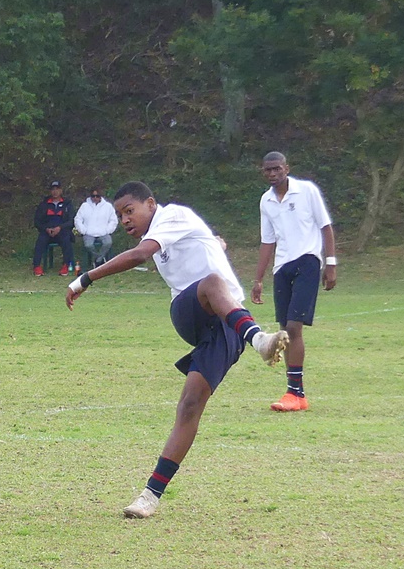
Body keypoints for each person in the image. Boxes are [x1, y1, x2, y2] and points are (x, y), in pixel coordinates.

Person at [65, 181, 289, 519]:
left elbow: (150, 251)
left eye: (130, 211)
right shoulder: (161, 234)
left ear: (151, 204)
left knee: (189, 406)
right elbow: (152, 253)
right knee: (213, 282)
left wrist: (85, 278)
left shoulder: (174, 215)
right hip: (191, 312)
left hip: (228, 324)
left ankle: (149, 496)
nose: (125, 219)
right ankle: (258, 339)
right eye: (119, 214)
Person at [251, 151, 337, 412]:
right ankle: (295, 393)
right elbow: (268, 241)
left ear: (287, 168)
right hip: (282, 267)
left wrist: (331, 264)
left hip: (308, 261)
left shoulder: (306, 191)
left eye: (277, 168)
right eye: (268, 170)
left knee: (293, 327)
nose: (273, 173)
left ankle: (295, 394)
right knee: (285, 331)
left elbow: (326, 227)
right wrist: (258, 279)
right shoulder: (266, 201)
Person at [32, 180, 76, 276]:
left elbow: (71, 221)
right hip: (47, 231)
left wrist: (60, 227)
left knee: (66, 240)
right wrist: (46, 229)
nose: (55, 192)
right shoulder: (44, 204)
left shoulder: (67, 204)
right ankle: (37, 266)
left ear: (61, 190)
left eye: (57, 189)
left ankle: (66, 265)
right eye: (53, 189)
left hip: (62, 231)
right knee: (40, 241)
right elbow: (37, 221)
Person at [74, 188, 118, 269]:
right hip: (89, 233)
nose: (95, 198)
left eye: (97, 196)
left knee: (108, 243)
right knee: (88, 245)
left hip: (103, 232)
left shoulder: (108, 206)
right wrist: (83, 230)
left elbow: (113, 220)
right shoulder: (84, 206)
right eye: (93, 196)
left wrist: (108, 230)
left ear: (100, 196)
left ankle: (97, 260)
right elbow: (78, 219)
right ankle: (100, 260)